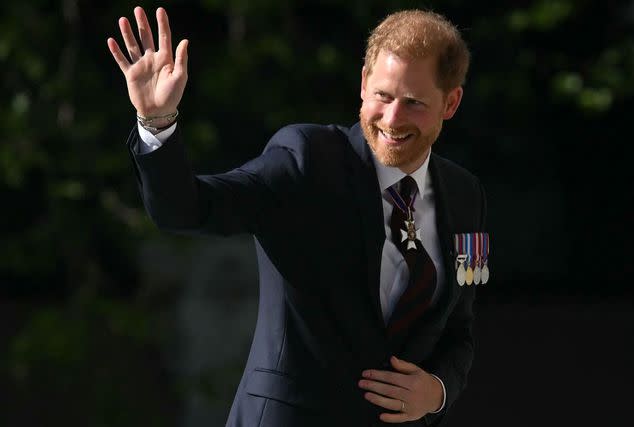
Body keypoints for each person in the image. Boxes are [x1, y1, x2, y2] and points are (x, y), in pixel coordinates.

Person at [108, 6, 487, 427]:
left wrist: (437, 391)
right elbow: (188, 209)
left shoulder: (466, 197)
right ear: (363, 83)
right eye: (383, 95)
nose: (392, 119)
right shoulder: (306, 161)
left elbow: (459, 329)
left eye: (414, 102)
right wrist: (157, 122)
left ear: (450, 102)